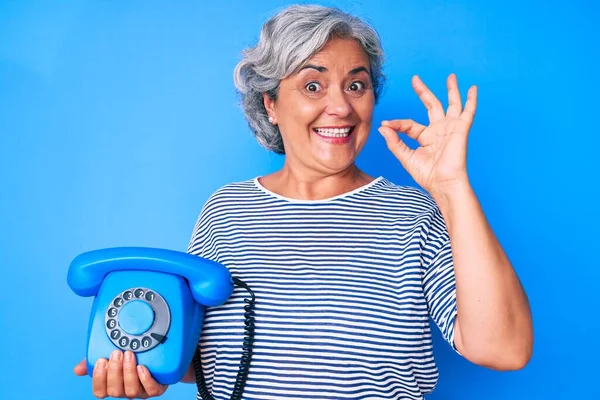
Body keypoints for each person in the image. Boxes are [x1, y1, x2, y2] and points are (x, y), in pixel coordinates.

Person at [74, 4, 533, 399]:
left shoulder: (412, 214)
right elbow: (211, 357)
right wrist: (149, 373)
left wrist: (452, 188)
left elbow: (504, 348)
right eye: (313, 86)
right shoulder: (225, 209)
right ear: (270, 103)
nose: (341, 106)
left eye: (356, 85)